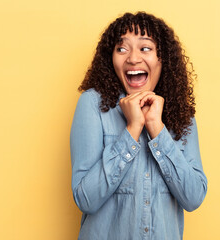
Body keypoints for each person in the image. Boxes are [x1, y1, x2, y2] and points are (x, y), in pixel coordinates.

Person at [70, 12, 207, 240]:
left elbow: (193, 198)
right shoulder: (92, 104)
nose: (133, 58)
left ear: (163, 59)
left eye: (145, 48)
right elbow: (86, 199)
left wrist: (156, 127)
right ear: (110, 59)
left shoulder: (181, 113)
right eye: (122, 49)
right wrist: (133, 129)